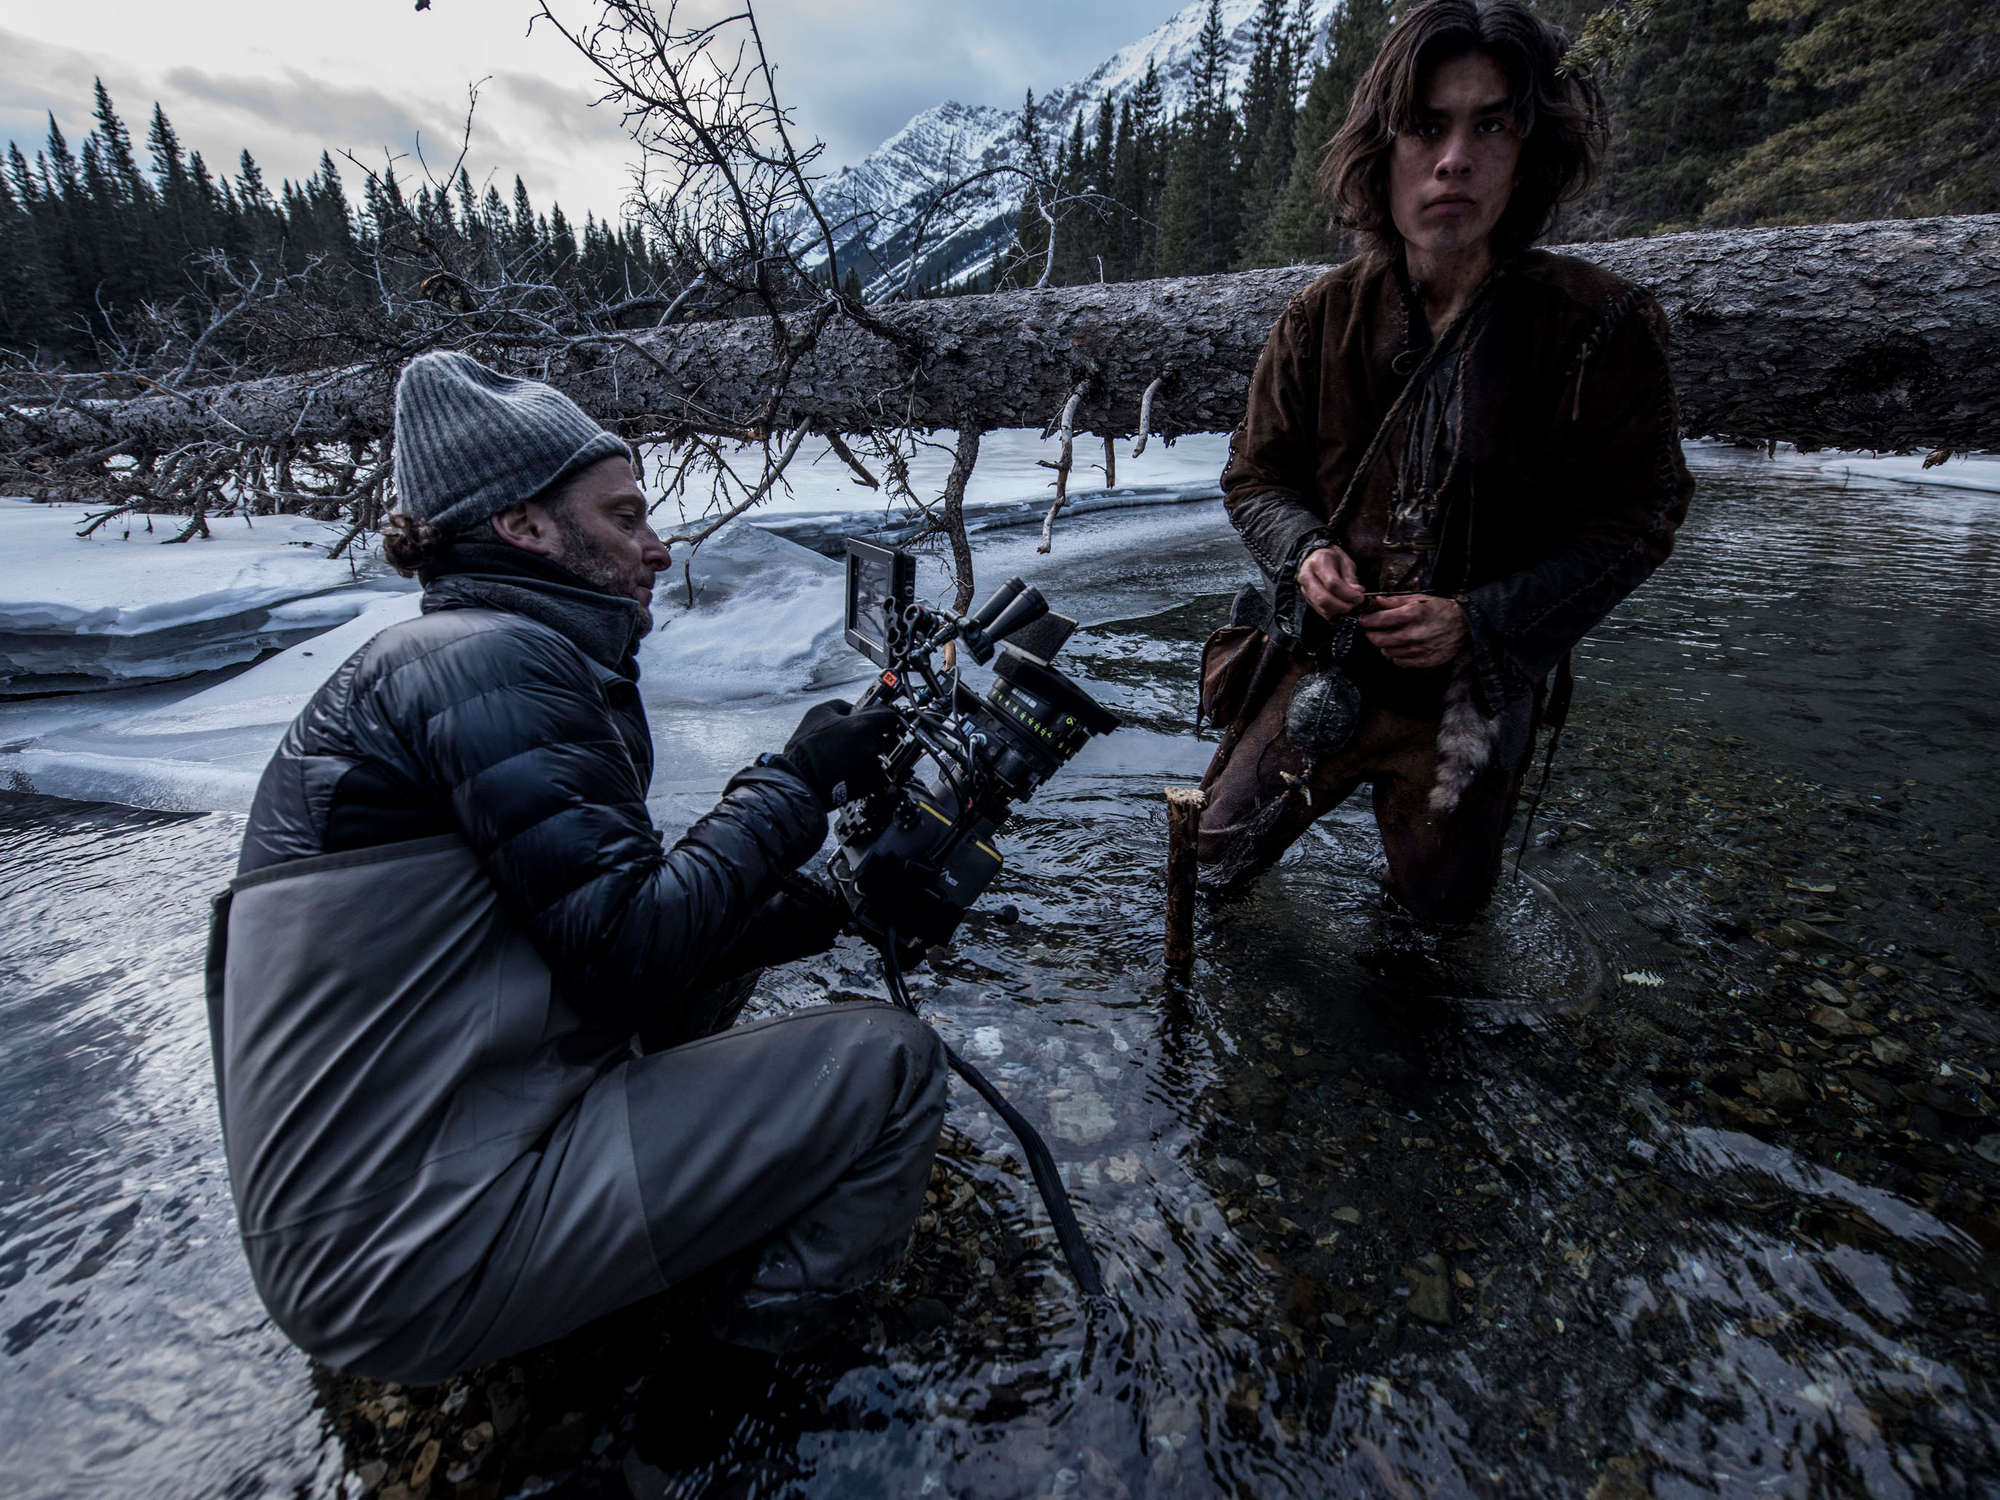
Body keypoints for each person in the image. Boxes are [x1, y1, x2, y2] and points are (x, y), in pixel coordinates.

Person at [204, 351, 946, 1385]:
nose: (657, 545)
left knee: (720, 951)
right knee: (889, 1065)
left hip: (380, 1204)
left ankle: (632, 1272)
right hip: (402, 1260)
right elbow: (626, 953)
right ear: (523, 525)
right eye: (624, 518)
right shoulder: (487, 663)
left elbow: (570, 933)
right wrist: (795, 783)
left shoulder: (458, 655)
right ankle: (763, 1380)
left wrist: (805, 908)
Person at [1197, 0, 1693, 922]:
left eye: (1490, 124)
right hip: (1324, 665)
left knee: (1433, 948)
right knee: (1202, 871)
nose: (1454, 158)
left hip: (1475, 697)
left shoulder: (1598, 325)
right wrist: (1305, 550)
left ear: (1527, 149)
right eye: (1426, 127)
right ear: (1381, 152)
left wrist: (1481, 620)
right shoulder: (1320, 317)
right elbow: (1255, 477)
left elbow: (1644, 516)